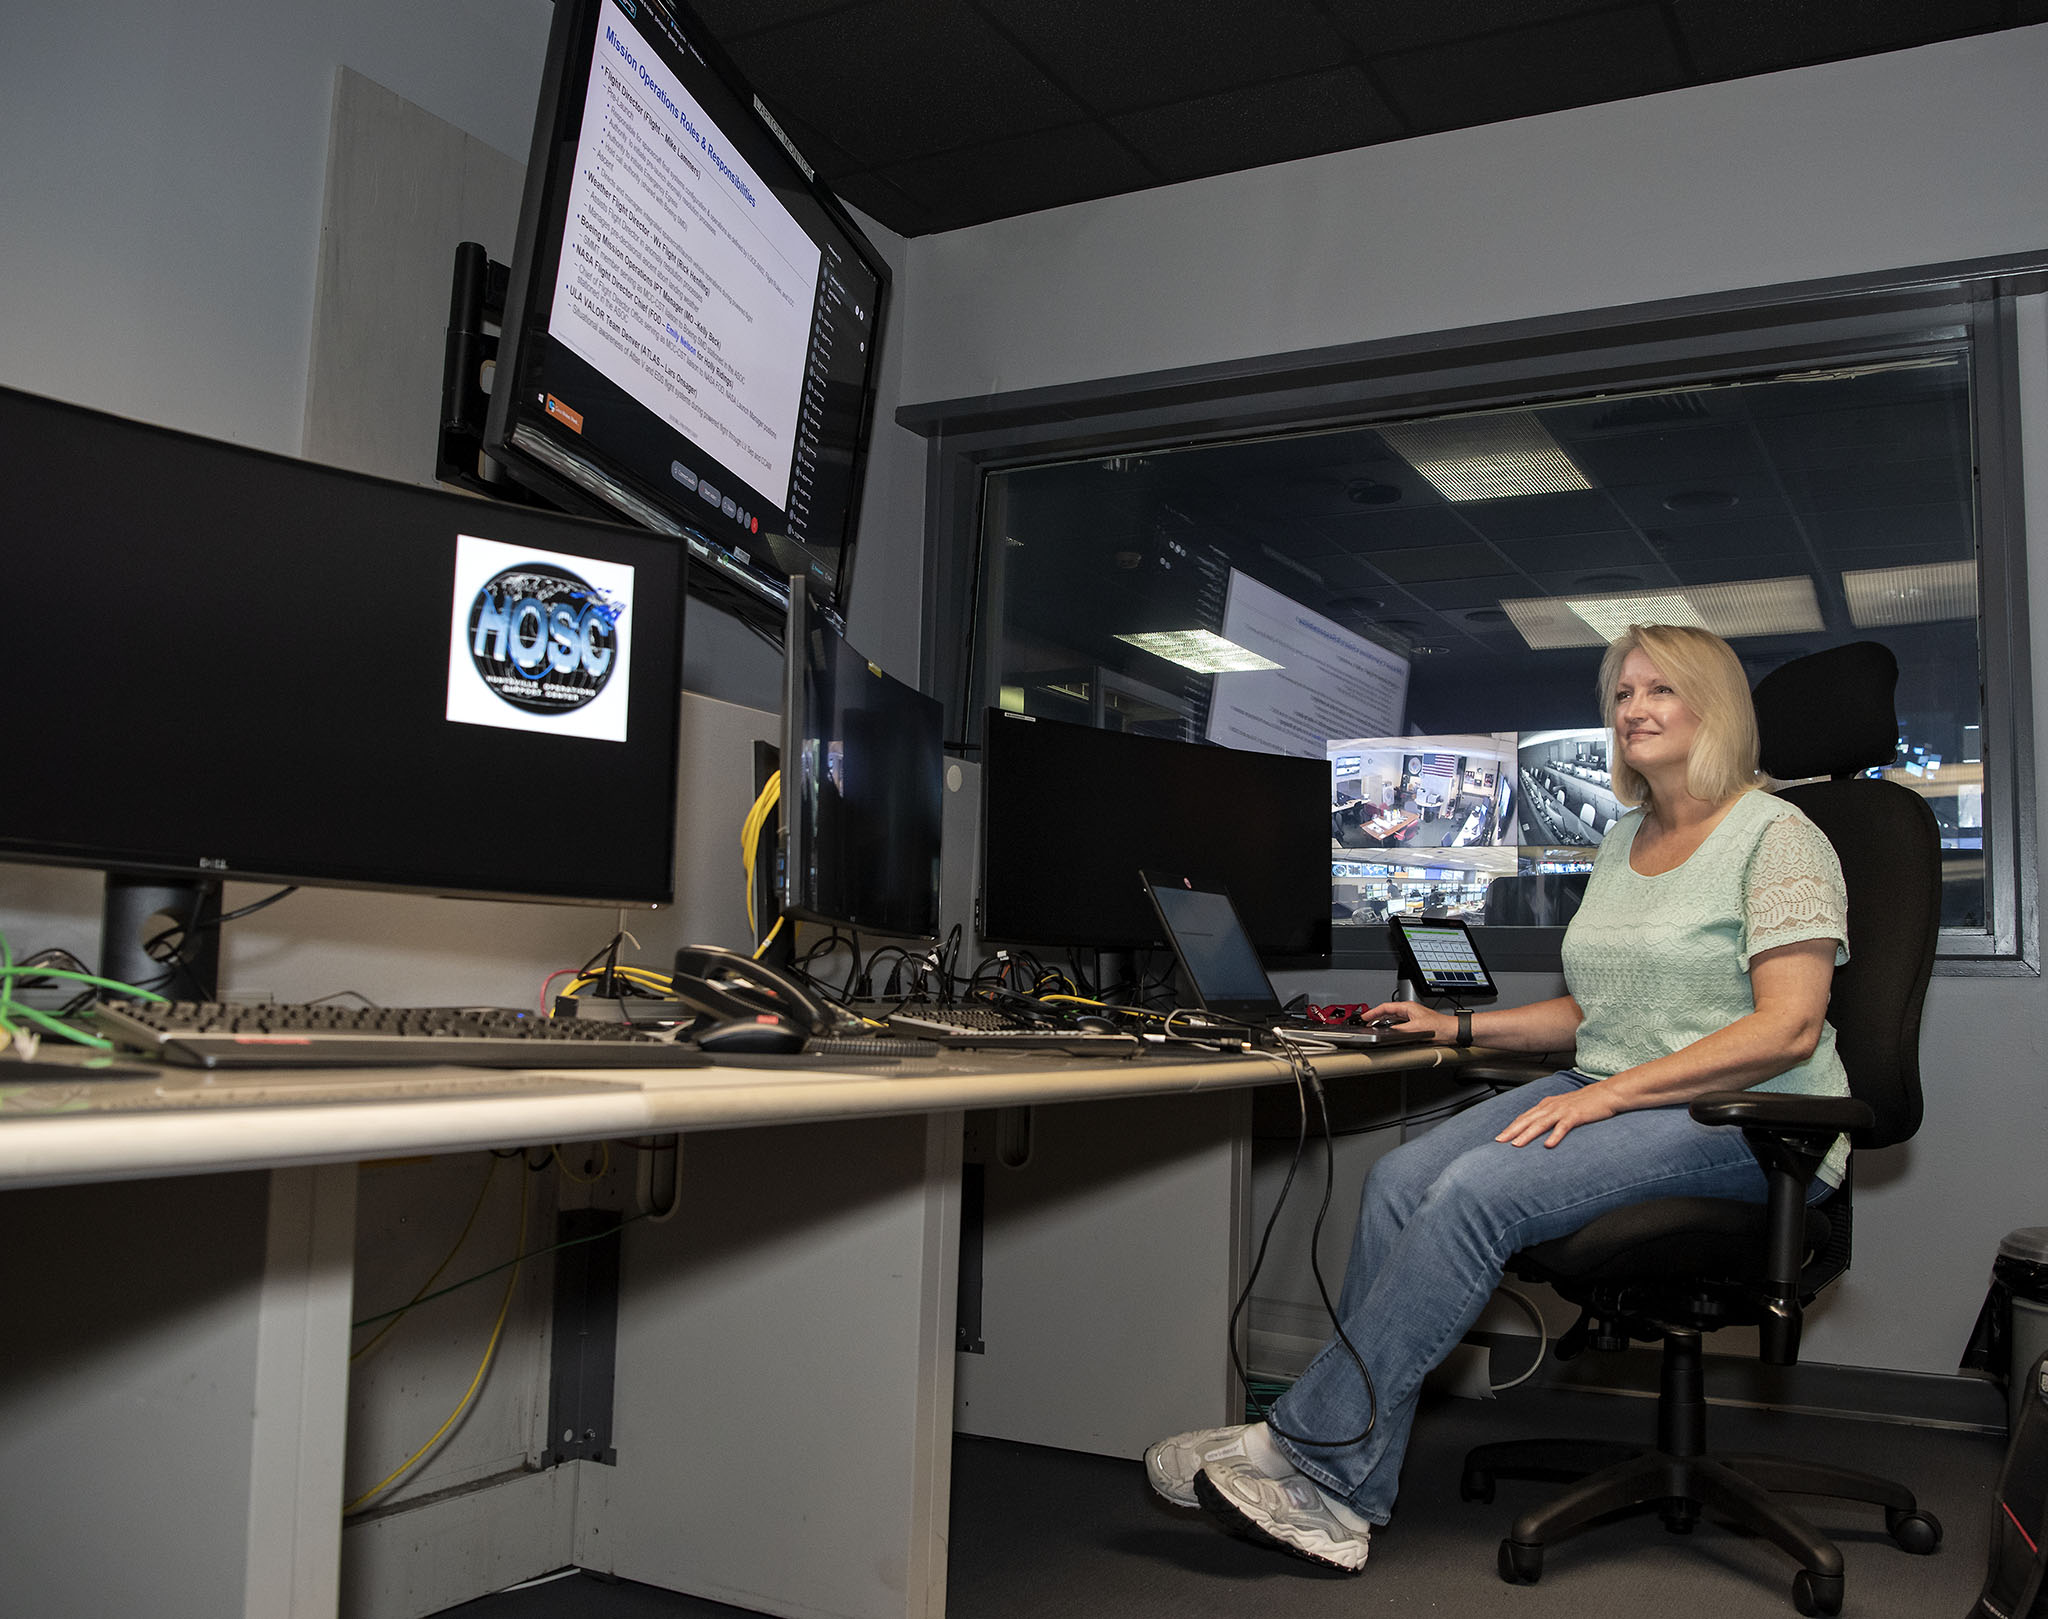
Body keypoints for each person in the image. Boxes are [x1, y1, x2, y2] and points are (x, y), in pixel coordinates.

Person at [1144, 624, 1853, 1574]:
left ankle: (1304, 1450)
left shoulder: (1782, 836)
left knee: (1479, 1189)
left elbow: (1787, 1029)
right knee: (1400, 1177)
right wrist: (1458, 1027)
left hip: (1751, 1120)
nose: (1633, 709)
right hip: (1618, 1088)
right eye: (1622, 693)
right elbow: (1592, 1010)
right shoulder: (1622, 838)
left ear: (1714, 706)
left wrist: (1613, 1098)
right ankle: (1344, 1490)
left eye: (1660, 692)